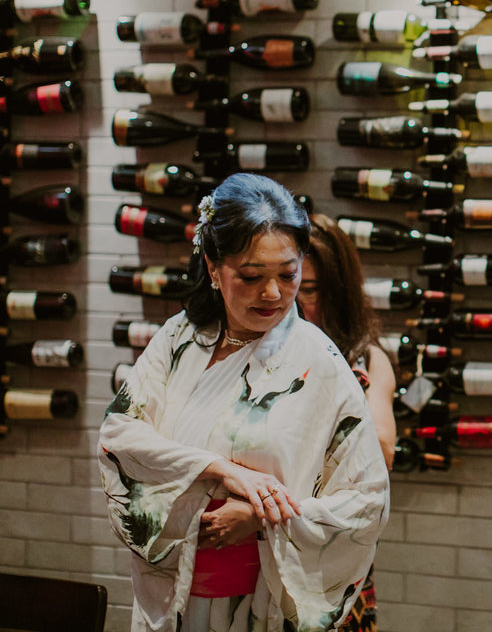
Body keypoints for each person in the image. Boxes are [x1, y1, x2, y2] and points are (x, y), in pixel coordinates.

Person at [99, 173, 390, 632]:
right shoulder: (179, 339)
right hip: (174, 592)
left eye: (288, 274)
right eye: (252, 276)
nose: (272, 293)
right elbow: (120, 435)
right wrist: (218, 470)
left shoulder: (319, 361)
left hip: (260, 602)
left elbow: (365, 500)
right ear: (214, 268)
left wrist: (263, 518)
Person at [296, 214, 398, 632]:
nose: (295, 303)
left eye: (309, 290)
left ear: (337, 291)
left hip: (335, 559)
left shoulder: (367, 358)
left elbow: (382, 451)